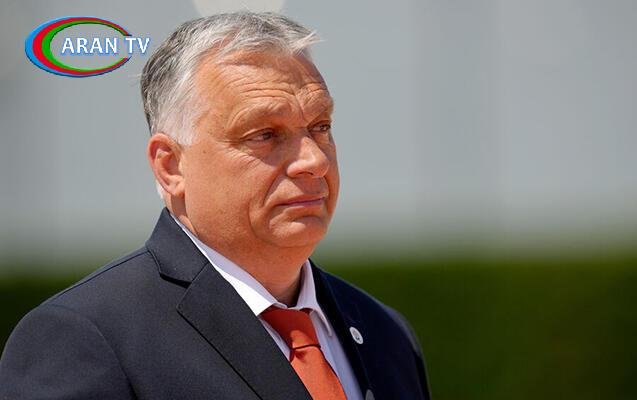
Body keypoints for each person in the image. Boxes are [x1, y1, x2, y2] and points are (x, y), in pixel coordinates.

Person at [0, 12, 430, 399]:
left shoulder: (384, 333)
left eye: (320, 126)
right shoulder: (84, 339)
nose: (314, 161)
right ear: (171, 166)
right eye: (265, 134)